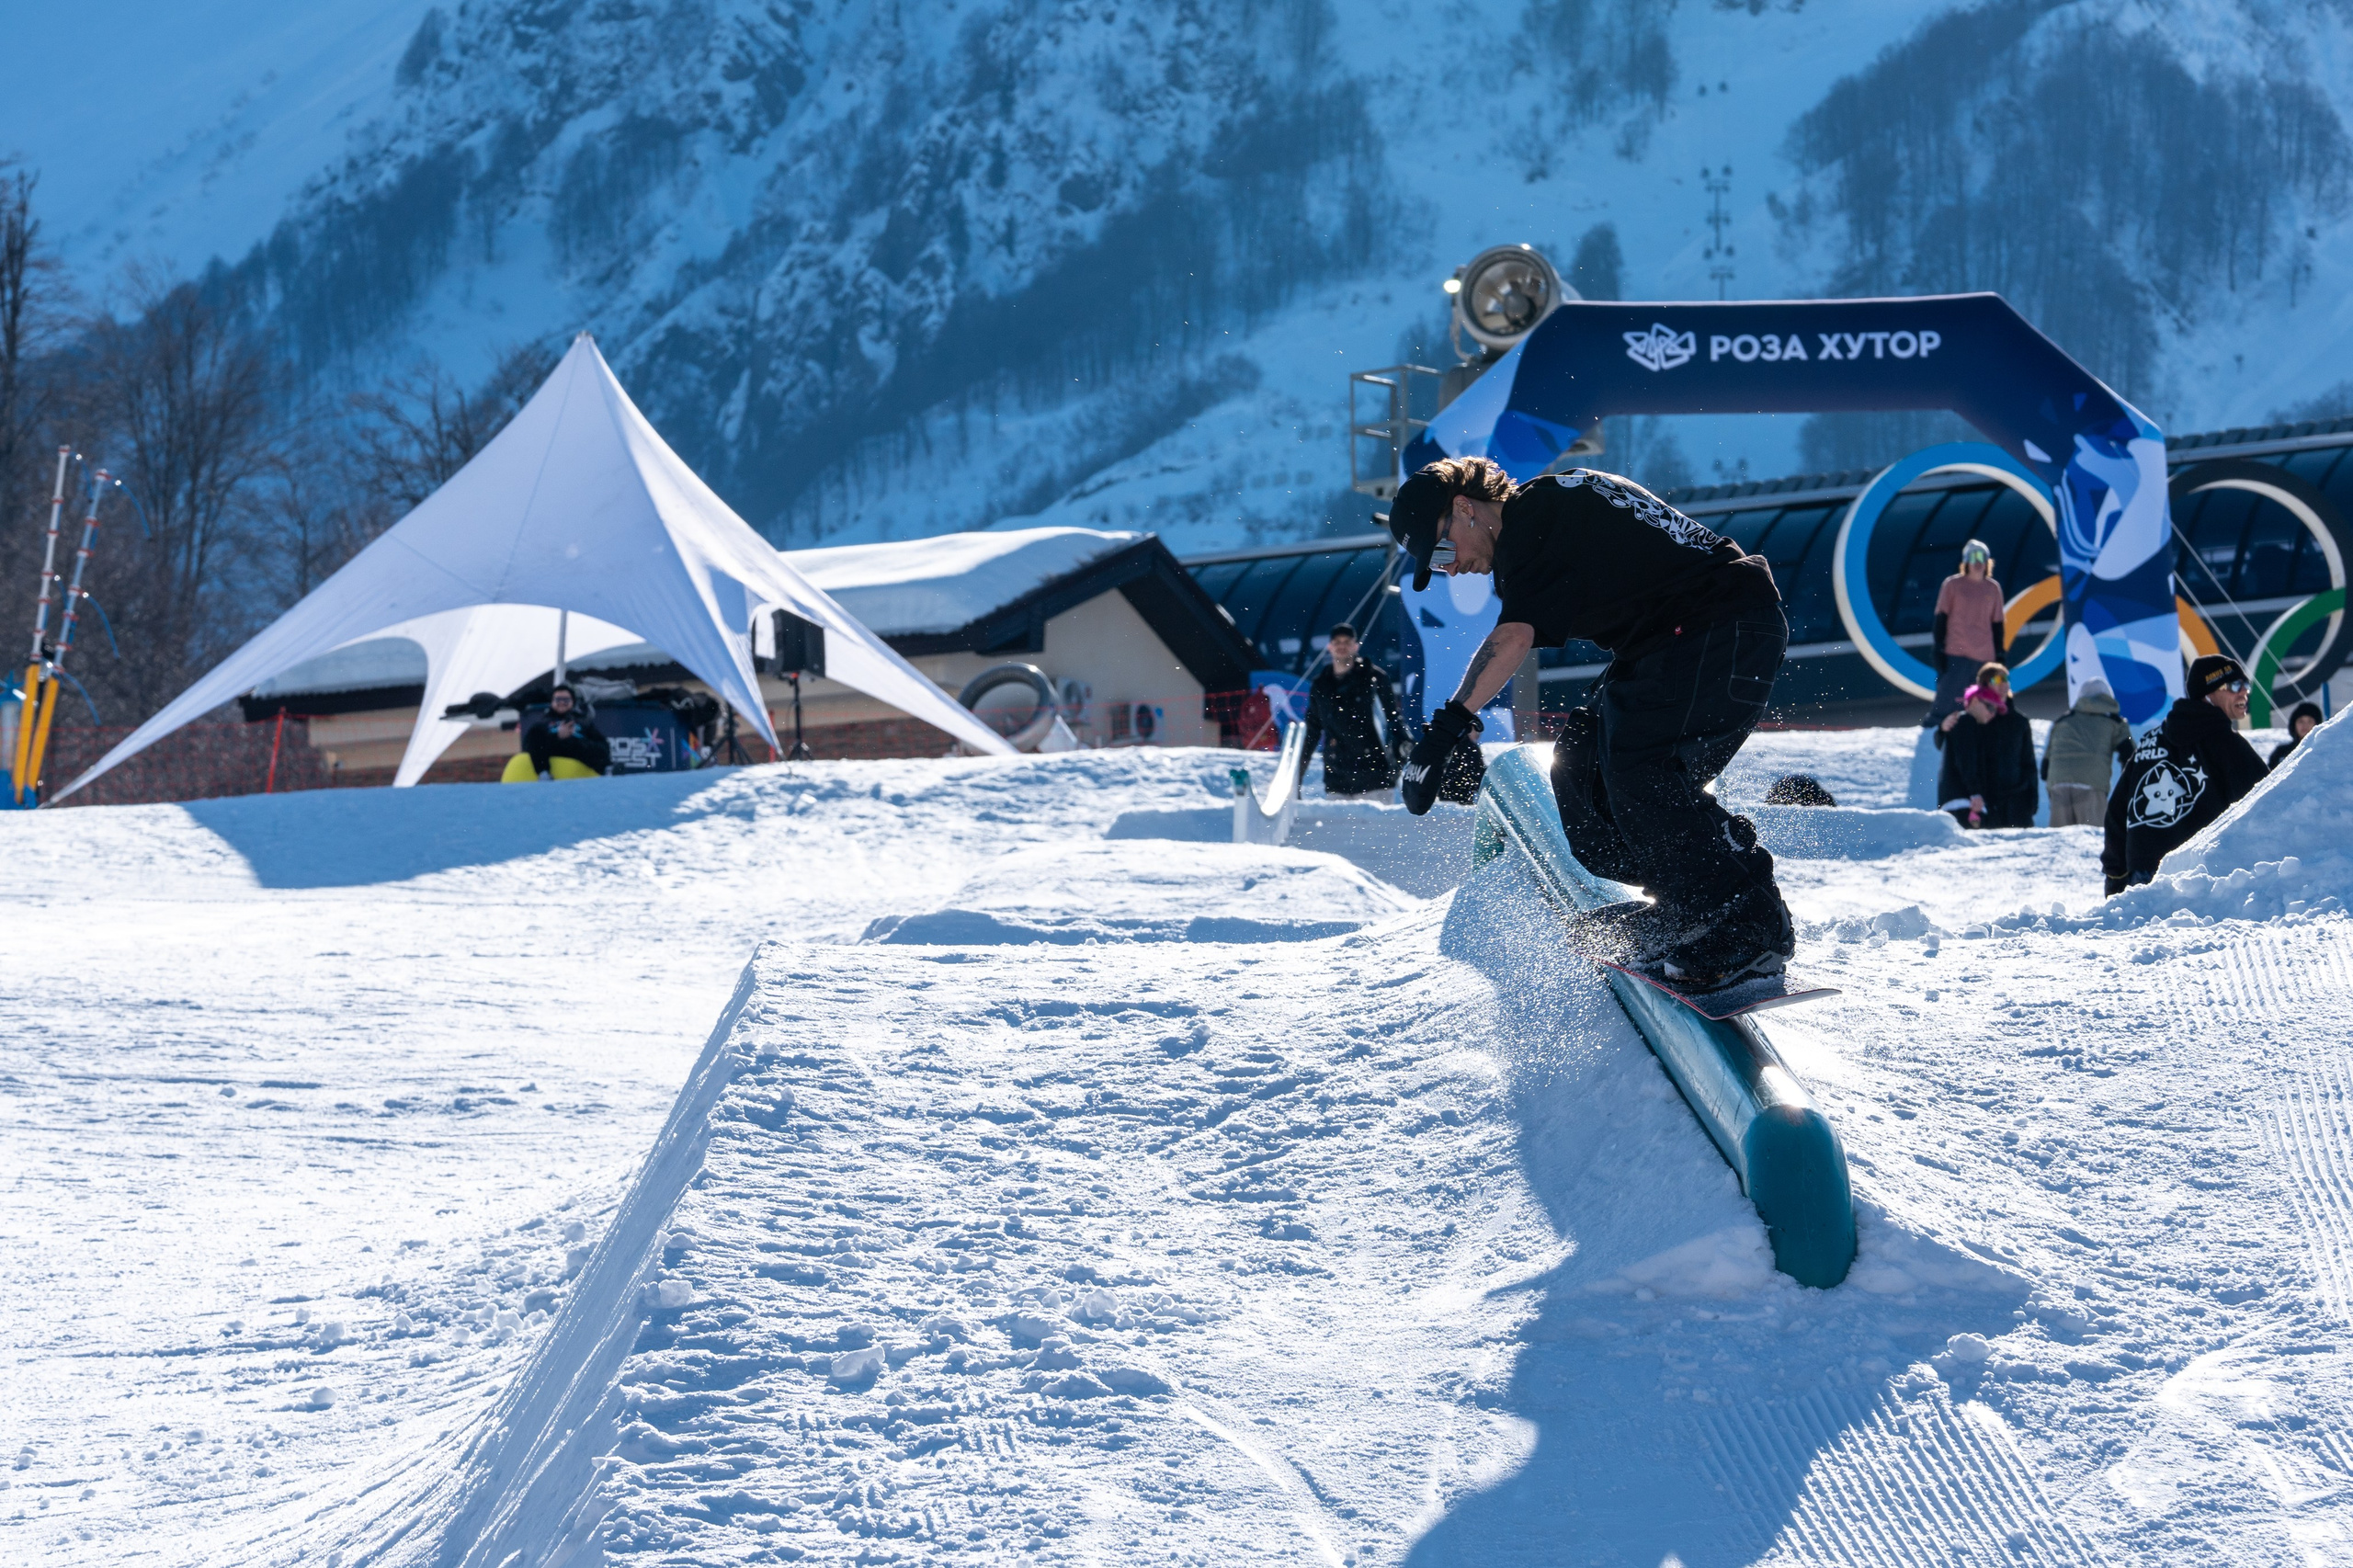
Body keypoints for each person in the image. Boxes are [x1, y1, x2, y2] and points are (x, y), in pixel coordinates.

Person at [1387, 455, 1793, 989]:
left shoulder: (1535, 515)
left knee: (1641, 769)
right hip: (1674, 641)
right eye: (1435, 567)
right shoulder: (1549, 510)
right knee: (1581, 770)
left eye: (1441, 552)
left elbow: (1513, 638)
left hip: (1719, 629)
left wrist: (1443, 731)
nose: (1450, 569)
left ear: (1463, 509)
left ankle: (1748, 923)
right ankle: (1685, 903)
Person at [2102, 654, 2269, 893]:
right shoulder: (2226, 743)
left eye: (2246, 685)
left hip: (2143, 875)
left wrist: (2116, 874)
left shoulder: (2150, 742)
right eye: (2234, 686)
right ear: (2208, 693)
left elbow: (2117, 813)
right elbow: (2267, 804)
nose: (2244, 692)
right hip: (2202, 876)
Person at [1294, 622, 1407, 800]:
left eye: (1347, 642)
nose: (1342, 646)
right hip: (1337, 778)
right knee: (1337, 827)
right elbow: (1313, 730)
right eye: (1337, 642)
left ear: (1356, 646)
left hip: (1376, 776)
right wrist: (1298, 773)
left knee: (1377, 828)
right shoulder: (1321, 684)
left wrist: (1402, 753)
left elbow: (1392, 719)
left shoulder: (1375, 678)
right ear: (1330, 647)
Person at [1935, 671, 2036, 827]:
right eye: (1989, 706)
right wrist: (1975, 792)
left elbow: (2029, 765)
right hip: (1967, 802)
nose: (1991, 713)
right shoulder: (1965, 721)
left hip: (1986, 802)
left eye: (1995, 710)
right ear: (1975, 699)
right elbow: (1965, 760)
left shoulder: (2016, 722)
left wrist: (2031, 801)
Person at [1927, 540, 2006, 725]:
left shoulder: (1993, 588)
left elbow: (1997, 624)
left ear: (1987, 561)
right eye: (1973, 557)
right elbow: (1941, 618)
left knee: (1986, 702)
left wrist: (2000, 653)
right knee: (1947, 702)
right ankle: (1935, 735)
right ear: (1966, 561)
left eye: (1981, 557)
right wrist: (1939, 647)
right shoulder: (1952, 585)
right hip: (1957, 652)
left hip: (1985, 656)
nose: (1977, 562)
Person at [2041, 677, 2133, 826]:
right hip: (2091, 783)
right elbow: (2129, 754)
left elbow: (2045, 768)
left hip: (2058, 782)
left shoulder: (2063, 721)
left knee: (2060, 841)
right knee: (2091, 838)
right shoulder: (2115, 722)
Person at [522, 684, 611, 779]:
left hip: (577, 750)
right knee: (536, 736)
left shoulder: (583, 723)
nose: (562, 703)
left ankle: (607, 771)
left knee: (590, 745)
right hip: (553, 749)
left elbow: (604, 745)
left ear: (573, 702)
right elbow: (528, 745)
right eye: (558, 700)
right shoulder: (542, 724)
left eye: (566, 700)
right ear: (552, 702)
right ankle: (544, 774)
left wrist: (573, 738)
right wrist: (557, 736)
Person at [2271, 701, 2324, 769]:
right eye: (2301, 721)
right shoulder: (2281, 753)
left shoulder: (2323, 751)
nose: (2305, 725)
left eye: (2310, 721)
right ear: (2294, 724)